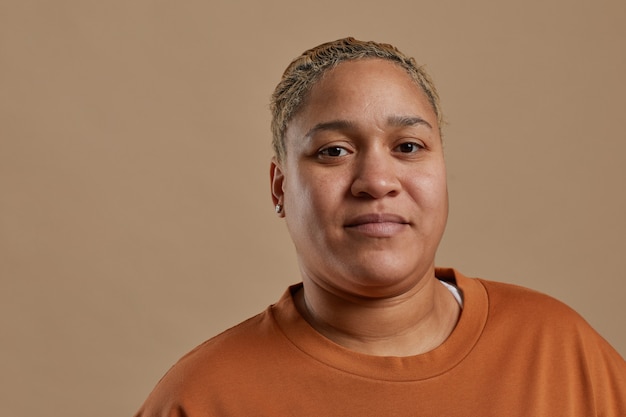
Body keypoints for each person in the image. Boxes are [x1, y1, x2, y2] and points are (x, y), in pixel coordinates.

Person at [135, 37, 626, 416]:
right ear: (279, 187)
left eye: (408, 146)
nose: (376, 181)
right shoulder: (203, 398)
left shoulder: (558, 350)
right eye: (334, 151)